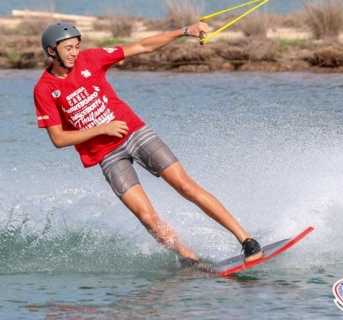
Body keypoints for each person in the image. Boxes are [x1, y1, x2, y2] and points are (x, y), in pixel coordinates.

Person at [33, 21, 262, 267]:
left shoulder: (91, 59)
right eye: (68, 48)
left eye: (77, 46)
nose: (74, 53)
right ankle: (190, 260)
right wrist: (102, 129)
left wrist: (185, 31)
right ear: (51, 51)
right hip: (106, 154)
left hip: (134, 133)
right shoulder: (44, 89)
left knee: (185, 187)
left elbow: (142, 46)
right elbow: (58, 139)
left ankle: (246, 239)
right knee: (147, 217)